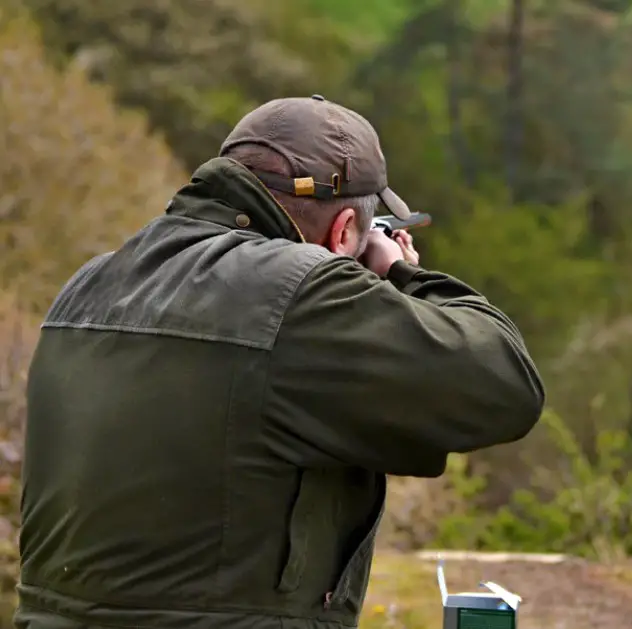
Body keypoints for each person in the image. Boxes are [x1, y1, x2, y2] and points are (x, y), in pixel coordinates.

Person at [15, 95, 545, 629]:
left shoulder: (87, 284)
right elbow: (505, 384)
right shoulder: (300, 295)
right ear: (343, 233)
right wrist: (403, 275)